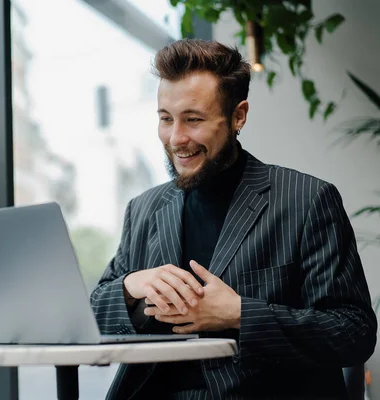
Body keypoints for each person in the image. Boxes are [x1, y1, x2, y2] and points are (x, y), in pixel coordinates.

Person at [90, 39, 377, 399]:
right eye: (165, 119)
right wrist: (133, 286)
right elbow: (90, 315)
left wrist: (239, 314)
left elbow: (353, 332)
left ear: (238, 116)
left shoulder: (306, 200)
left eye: (193, 119)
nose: (176, 138)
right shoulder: (144, 209)